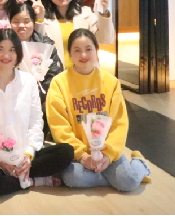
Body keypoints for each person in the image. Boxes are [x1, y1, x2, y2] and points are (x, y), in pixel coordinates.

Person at [0, 29, 74, 197]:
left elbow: (36, 121)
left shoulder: (28, 81)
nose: (6, 55)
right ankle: (33, 180)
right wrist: (0, 160)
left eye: (12, 50)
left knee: (65, 152)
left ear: (18, 53)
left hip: (24, 152)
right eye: (0, 49)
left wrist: (28, 155)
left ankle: (23, 174)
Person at [47, 29, 151, 191]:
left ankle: (139, 163)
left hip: (106, 152)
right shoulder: (58, 83)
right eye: (77, 50)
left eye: (88, 49)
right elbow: (59, 127)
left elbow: (119, 123)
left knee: (129, 182)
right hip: (80, 155)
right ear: (70, 54)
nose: (83, 55)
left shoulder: (111, 82)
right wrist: (82, 155)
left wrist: (108, 155)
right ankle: (115, 178)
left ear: (96, 51)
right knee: (72, 177)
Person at [39, 0, 114, 69]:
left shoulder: (86, 13)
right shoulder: (43, 18)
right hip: (57, 74)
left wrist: (104, 12)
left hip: (86, 72)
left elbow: (105, 39)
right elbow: (38, 46)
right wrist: (39, 18)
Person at [8, 3, 63, 116]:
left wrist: (35, 95)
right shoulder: (4, 45)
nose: (21, 25)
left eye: (26, 21)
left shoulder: (46, 45)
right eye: (16, 21)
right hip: (10, 103)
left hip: (42, 103)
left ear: (33, 23)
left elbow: (54, 75)